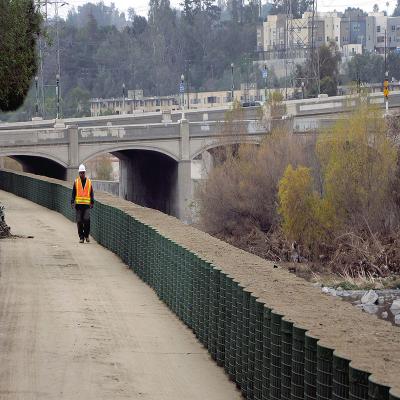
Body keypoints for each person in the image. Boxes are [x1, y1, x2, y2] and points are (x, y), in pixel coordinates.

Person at [71, 164, 94, 243]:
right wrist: (72, 202)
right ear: (79, 173)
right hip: (78, 206)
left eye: (83, 172)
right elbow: (73, 193)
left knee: (87, 221)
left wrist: (92, 202)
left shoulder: (89, 182)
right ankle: (81, 237)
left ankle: (86, 236)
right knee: (79, 221)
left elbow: (91, 193)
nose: (82, 174)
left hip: (87, 205)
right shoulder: (76, 182)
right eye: (80, 173)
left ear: (85, 172)